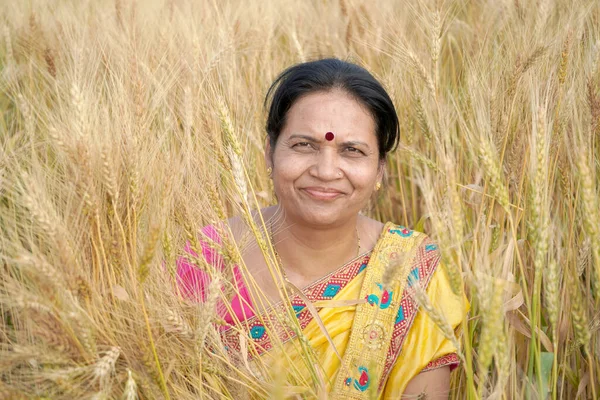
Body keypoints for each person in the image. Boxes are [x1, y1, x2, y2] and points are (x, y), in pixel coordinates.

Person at [177, 58, 468, 399]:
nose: (326, 170)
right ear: (270, 153)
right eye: (304, 145)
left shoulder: (414, 272)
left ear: (379, 171)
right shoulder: (211, 257)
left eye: (352, 150)